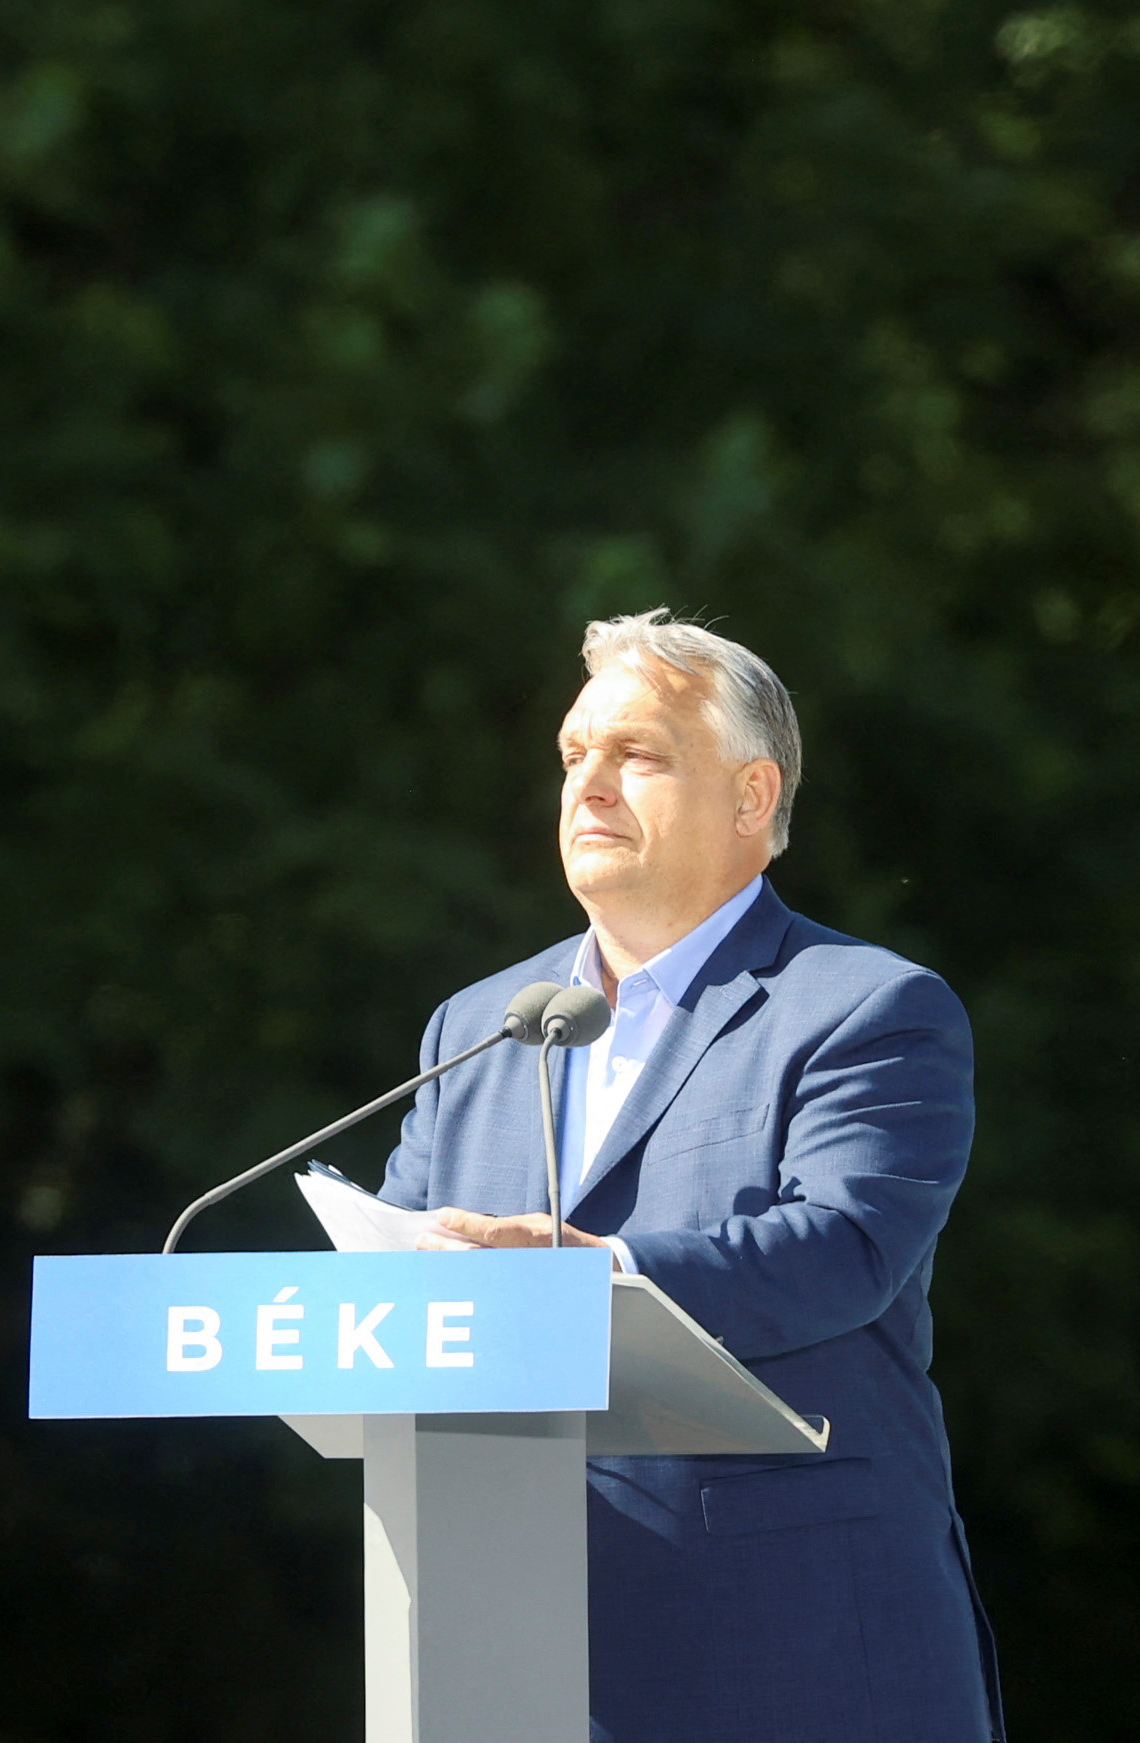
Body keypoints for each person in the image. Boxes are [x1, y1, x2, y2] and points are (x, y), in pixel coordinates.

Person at [377, 609, 1003, 1743]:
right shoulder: (478, 1028)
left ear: (752, 799)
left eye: (639, 754)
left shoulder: (863, 1008)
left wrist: (597, 1272)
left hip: (794, 1649)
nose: (590, 785)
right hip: (501, 1648)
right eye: (574, 755)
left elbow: (842, 1249)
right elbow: (400, 1278)